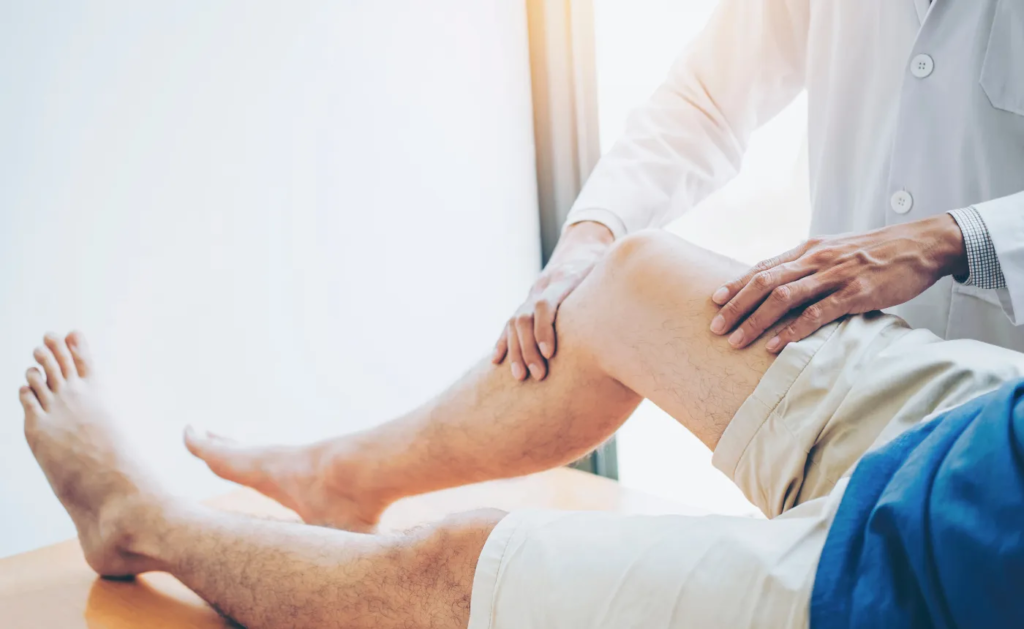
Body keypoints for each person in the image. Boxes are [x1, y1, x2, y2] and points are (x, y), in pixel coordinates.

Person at [19, 232, 1024, 628]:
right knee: (626, 279)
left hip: (946, 578)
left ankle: (135, 515)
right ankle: (343, 475)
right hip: (989, 427)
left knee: (455, 564)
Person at [494, 0, 1024, 387]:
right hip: (842, 378)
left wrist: (950, 240)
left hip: (1002, 392)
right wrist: (593, 233)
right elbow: (709, 100)